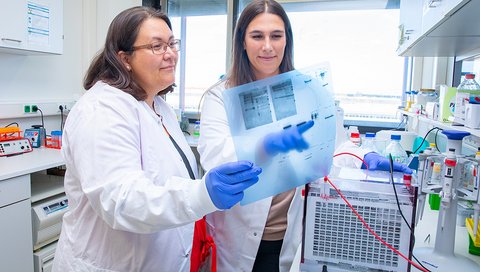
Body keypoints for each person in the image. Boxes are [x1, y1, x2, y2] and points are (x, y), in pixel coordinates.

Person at [197, 1, 412, 271]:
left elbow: (336, 146)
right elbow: (214, 157)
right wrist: (263, 145)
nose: (267, 46)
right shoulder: (220, 97)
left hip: (291, 234)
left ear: (287, 40)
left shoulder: (309, 91)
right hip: (236, 237)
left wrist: (364, 157)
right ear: (242, 42)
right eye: (257, 36)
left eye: (276, 35)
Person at [52, 6, 262, 272]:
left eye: (172, 44)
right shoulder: (102, 110)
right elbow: (122, 200)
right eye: (157, 46)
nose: (171, 54)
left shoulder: (158, 106)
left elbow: (167, 180)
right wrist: (203, 193)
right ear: (124, 58)